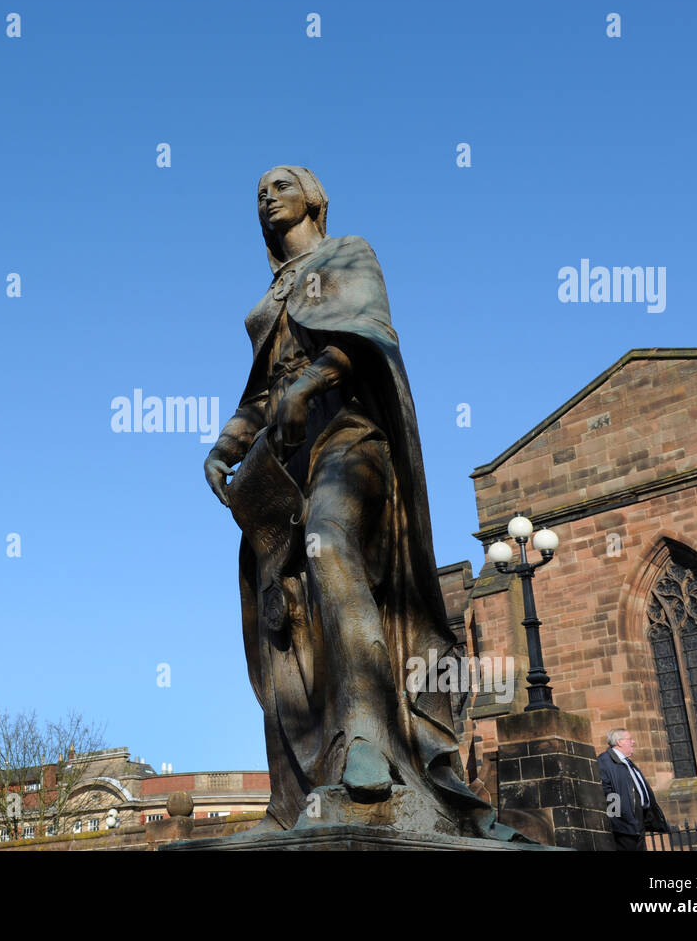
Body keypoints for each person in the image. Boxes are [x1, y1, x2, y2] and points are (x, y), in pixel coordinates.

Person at [203, 166, 511, 839]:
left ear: (313, 197)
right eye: (258, 188)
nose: (266, 192)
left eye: (281, 182)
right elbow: (262, 393)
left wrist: (308, 385)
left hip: (350, 435)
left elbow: (365, 342)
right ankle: (291, 798)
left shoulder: (350, 254)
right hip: (281, 466)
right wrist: (226, 445)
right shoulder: (273, 293)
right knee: (278, 612)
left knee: (329, 540)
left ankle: (368, 737)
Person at [597, 728, 669, 850]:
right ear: (619, 742)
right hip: (625, 822)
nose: (633, 742)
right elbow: (607, 792)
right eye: (630, 739)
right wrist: (619, 819)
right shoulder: (605, 761)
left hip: (638, 819)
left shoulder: (626, 762)